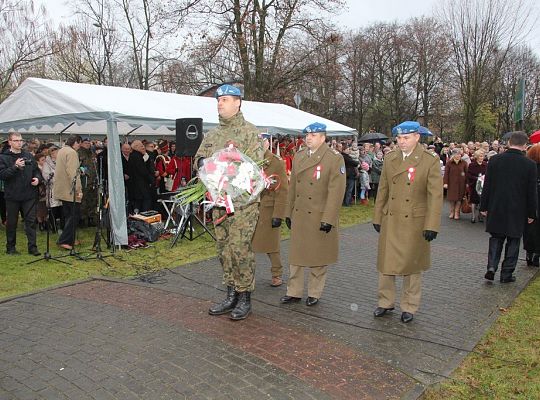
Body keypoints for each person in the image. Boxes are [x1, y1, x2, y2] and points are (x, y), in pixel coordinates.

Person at [195, 84, 265, 320]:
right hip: (219, 204)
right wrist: (208, 167)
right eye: (218, 100)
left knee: (240, 249)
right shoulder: (213, 135)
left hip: (243, 206)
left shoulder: (249, 132)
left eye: (225, 99)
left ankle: (245, 297)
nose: (220, 104)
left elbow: (255, 168)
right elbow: (200, 160)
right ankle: (231, 293)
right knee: (224, 249)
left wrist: (232, 169)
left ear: (238, 102)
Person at [372, 121, 443, 323]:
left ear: (417, 137)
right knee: (386, 264)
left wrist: (431, 225)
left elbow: (435, 196)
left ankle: (409, 306)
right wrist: (377, 216)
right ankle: (385, 302)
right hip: (391, 218)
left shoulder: (429, 160)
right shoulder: (390, 158)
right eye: (399, 138)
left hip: (414, 221)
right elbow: (383, 190)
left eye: (406, 138)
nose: (401, 142)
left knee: (412, 265)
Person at [280, 122, 346, 306]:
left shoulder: (334, 158)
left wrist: (329, 219)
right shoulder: (300, 155)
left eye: (313, 135)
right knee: (296, 256)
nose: (308, 138)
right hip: (300, 214)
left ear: (323, 137)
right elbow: (292, 186)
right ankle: (294, 291)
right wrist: (288, 211)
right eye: (307, 135)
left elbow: (336, 191)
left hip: (319, 215)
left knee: (318, 256)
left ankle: (314, 293)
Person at [480, 132, 537, 283]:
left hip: (497, 206)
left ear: (509, 142)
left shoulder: (495, 160)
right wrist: (532, 213)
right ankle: (506, 273)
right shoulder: (529, 165)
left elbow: (487, 185)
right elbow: (531, 192)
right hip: (518, 209)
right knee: (514, 240)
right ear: (525, 146)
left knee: (496, 238)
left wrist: (484, 205)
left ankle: (491, 267)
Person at [252, 136, 289, 287]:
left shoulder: (276, 162)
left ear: (268, 143)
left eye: (262, 143)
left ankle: (277, 273)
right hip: (251, 209)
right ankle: (247, 276)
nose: (259, 146)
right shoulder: (249, 161)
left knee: (271, 246)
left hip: (269, 209)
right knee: (247, 245)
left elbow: (283, 190)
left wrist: (279, 214)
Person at [0, 132, 43, 255]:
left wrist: (37, 179)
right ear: (10, 142)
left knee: (30, 221)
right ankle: (11, 247)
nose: (19, 143)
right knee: (12, 223)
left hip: (29, 195)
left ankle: (32, 247)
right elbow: (2, 175)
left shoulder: (28, 155)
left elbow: (36, 171)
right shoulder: (3, 157)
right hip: (12, 196)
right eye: (16, 140)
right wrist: (15, 167)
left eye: (20, 140)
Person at [53, 135, 83, 250]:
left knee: (68, 215)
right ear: (75, 142)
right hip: (70, 190)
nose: (79, 146)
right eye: (79, 143)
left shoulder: (62, 150)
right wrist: (78, 189)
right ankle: (64, 240)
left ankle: (70, 238)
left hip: (62, 188)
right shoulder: (72, 153)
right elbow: (73, 173)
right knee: (74, 215)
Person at [523, 144, 540, 267]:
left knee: (529, 229)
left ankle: (529, 253)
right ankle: (536, 254)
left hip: (529, 203)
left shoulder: (528, 166)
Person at [128, 140, 155, 213]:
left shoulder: (133, 156)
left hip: (136, 185)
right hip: (141, 186)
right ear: (136, 147)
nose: (143, 147)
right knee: (145, 202)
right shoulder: (137, 157)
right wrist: (151, 179)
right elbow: (143, 171)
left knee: (138, 204)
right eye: (141, 146)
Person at [443, 148, 468, 220]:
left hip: (461, 183)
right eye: (457, 154)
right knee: (452, 199)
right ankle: (452, 212)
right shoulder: (449, 163)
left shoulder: (464, 163)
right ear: (453, 155)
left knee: (459, 199)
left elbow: (466, 174)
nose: (458, 155)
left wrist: (467, 183)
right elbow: (446, 174)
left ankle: (457, 212)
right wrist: (445, 183)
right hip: (452, 183)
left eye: (460, 154)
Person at [78, 137, 97, 227]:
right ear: (81, 143)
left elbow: (95, 165)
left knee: (92, 200)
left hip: (93, 180)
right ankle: (82, 219)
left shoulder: (92, 153)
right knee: (83, 201)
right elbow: (78, 166)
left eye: (89, 143)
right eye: (86, 143)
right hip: (84, 180)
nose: (87, 144)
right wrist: (84, 172)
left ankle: (91, 218)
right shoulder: (78, 153)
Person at [467, 149, 487, 223]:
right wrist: (476, 178)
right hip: (474, 184)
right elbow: (469, 174)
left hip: (483, 185)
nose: (482, 158)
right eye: (480, 156)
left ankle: (480, 215)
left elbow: (487, 174)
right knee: (474, 200)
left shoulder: (485, 164)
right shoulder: (472, 165)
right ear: (477, 157)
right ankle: (473, 216)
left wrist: (483, 178)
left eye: (483, 156)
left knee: (481, 200)